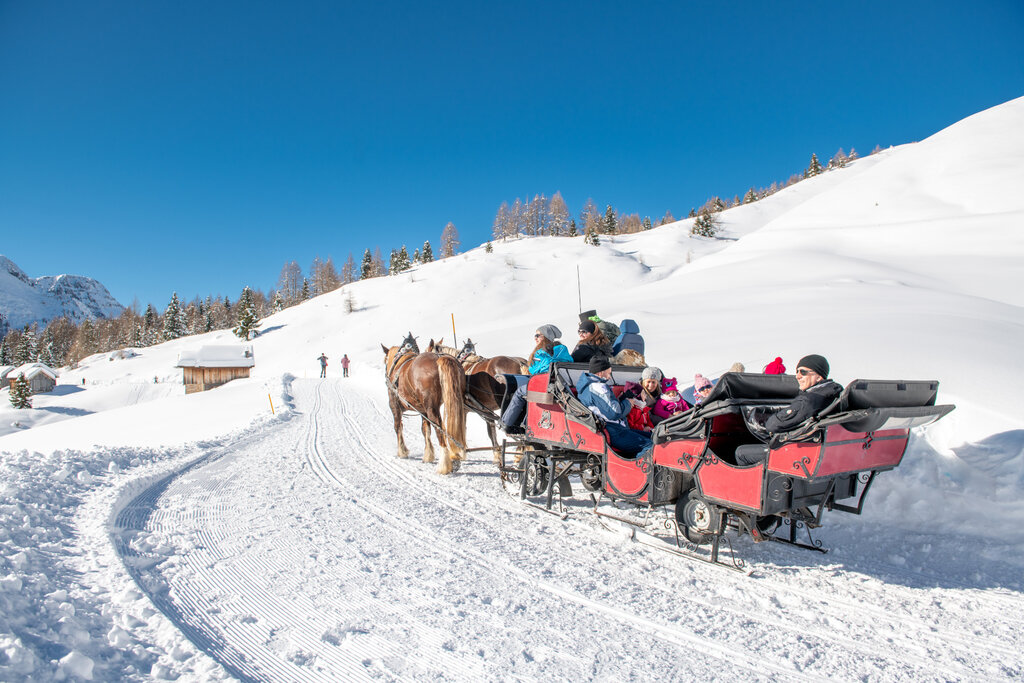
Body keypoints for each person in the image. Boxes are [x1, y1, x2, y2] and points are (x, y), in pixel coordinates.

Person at [575, 355, 652, 457]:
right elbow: (614, 413)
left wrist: (621, 400)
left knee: (653, 437)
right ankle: (638, 470)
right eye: (609, 373)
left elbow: (604, 407)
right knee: (651, 445)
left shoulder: (590, 386)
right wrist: (628, 403)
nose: (609, 377)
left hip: (616, 429)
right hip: (614, 432)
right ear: (601, 372)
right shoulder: (598, 387)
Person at [500, 324, 573, 431]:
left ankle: (506, 423)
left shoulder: (540, 352)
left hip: (545, 387)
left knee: (519, 392)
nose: (535, 338)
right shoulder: (563, 350)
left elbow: (534, 370)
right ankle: (525, 422)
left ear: (545, 337)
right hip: (561, 387)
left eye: (538, 335)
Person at [763, 354, 841, 433]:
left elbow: (773, 425)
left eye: (803, 372)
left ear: (818, 376)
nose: (797, 376)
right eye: (797, 372)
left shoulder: (810, 400)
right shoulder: (835, 392)